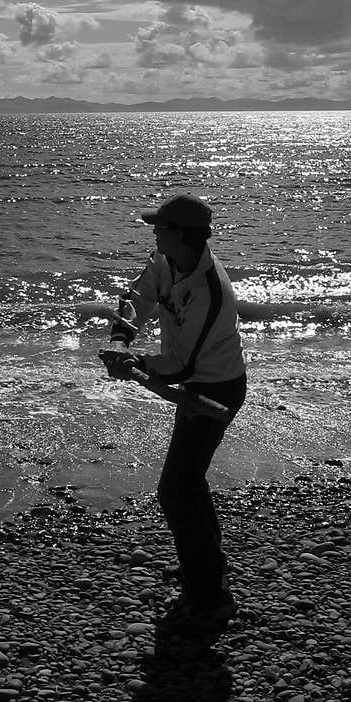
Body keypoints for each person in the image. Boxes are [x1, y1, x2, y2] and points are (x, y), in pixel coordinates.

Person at [103, 193, 247, 636]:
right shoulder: (166, 260)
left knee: (177, 490)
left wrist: (139, 364)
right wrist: (121, 341)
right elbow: (140, 296)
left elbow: (183, 366)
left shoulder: (210, 292)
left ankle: (211, 597)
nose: (154, 232)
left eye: (160, 227)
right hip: (192, 383)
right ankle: (210, 571)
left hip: (216, 387)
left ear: (181, 235)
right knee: (187, 483)